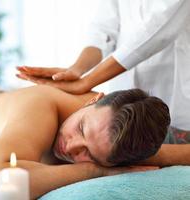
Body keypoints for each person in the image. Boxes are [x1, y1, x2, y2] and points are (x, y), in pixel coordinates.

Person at [0, 82, 172, 199]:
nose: (71, 147)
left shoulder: (109, 134)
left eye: (90, 154)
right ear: (93, 100)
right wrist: (94, 170)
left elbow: (168, 155)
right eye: (81, 129)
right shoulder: (40, 109)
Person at [16, 0, 190, 135]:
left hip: (177, 95)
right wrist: (76, 69)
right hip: (124, 91)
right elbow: (103, 28)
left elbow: (156, 30)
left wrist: (87, 81)